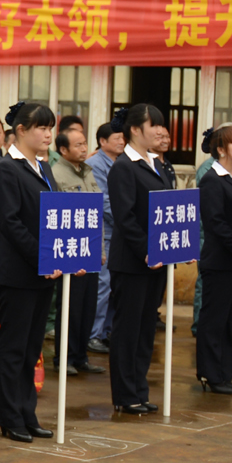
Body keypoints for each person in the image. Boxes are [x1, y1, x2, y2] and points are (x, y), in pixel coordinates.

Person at [0, 102, 60, 443]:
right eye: (41, 128)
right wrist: (42, 257)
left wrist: (59, 257)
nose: (47, 134)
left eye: (50, 128)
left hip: (44, 272)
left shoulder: (43, 167)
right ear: (20, 131)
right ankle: (9, 416)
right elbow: (10, 223)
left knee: (32, 348)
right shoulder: (6, 169)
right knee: (13, 347)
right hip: (19, 272)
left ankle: (28, 412)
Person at [104, 103, 173, 414]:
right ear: (134, 129)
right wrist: (147, 250)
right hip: (133, 261)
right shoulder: (124, 167)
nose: (160, 131)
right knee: (128, 329)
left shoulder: (156, 164)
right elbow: (125, 217)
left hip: (156, 260)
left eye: (160, 125)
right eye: (153, 125)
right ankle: (125, 393)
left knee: (146, 329)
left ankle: (139, 390)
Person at [196, 123, 232, 394]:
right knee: (214, 320)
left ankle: (224, 374)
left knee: (229, 321)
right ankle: (210, 374)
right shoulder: (211, 180)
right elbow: (215, 222)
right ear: (221, 149)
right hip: (220, 261)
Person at [50, 118, 104, 377]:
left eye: (85, 144)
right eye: (78, 145)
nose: (84, 149)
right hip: (69, 250)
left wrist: (100, 249)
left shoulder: (87, 172)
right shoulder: (56, 174)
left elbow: (96, 213)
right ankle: (64, 358)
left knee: (88, 306)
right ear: (63, 150)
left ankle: (81, 356)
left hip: (90, 249)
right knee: (69, 307)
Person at [86, 120, 126, 353]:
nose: (121, 141)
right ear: (102, 141)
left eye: (123, 138)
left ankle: (107, 330)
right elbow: (104, 202)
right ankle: (94, 334)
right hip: (105, 233)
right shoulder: (95, 164)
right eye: (116, 138)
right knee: (103, 285)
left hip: (120, 232)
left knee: (115, 285)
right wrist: (126, 220)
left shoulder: (121, 162)